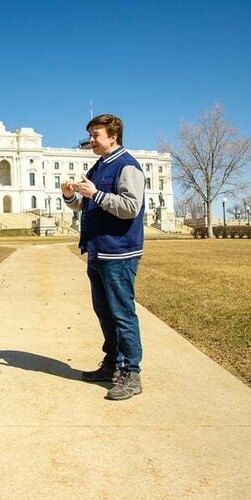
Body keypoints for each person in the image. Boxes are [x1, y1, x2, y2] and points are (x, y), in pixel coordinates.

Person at [62, 114, 146, 401]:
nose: (91, 140)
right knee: (105, 313)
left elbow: (130, 207)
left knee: (122, 314)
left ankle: (130, 373)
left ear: (113, 136)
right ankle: (111, 364)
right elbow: (86, 206)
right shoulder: (99, 166)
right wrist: (70, 196)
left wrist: (95, 194)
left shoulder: (127, 166)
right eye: (90, 134)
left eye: (96, 134)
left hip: (119, 252)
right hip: (98, 251)